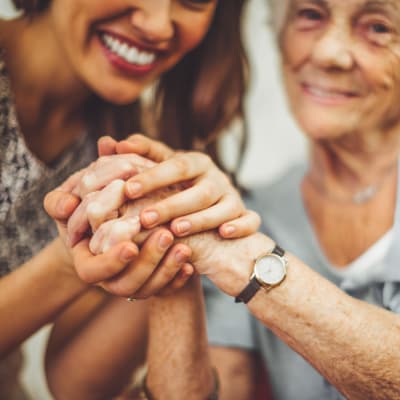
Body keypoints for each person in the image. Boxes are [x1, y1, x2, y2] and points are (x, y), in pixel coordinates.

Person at [64, 0, 400, 398]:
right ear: (279, 34)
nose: (328, 53)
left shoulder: (239, 236)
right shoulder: (250, 214)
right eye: (310, 15)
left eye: (378, 27)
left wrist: (241, 258)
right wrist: (169, 233)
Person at [0, 1, 260, 399]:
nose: (157, 26)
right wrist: (68, 262)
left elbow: (75, 383)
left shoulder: (127, 144)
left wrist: (176, 239)